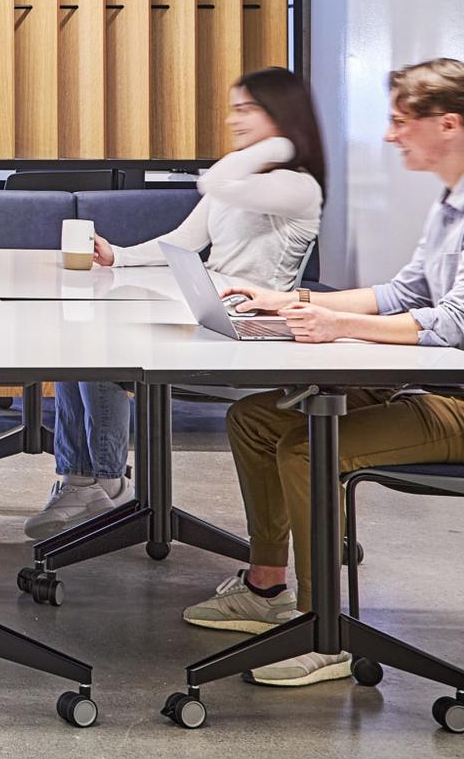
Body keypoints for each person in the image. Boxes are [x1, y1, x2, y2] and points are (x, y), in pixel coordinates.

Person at [185, 58, 464, 690]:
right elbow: (402, 292)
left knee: (307, 449)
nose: (390, 136)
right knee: (253, 417)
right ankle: (267, 586)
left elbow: (459, 325)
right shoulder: (455, 201)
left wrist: (337, 326)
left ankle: (321, 629)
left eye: (399, 122)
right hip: (430, 385)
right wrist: (298, 303)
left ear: (448, 124)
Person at [24, 67, 327, 540]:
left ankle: (105, 479)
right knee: (77, 333)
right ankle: (83, 478)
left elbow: (218, 181)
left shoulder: (297, 185)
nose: (234, 119)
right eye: (235, 109)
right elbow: (184, 240)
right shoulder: (245, 183)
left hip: (254, 335)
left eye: (247, 109)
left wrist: (283, 142)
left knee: (100, 346)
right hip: (212, 314)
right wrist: (119, 257)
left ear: (280, 116)